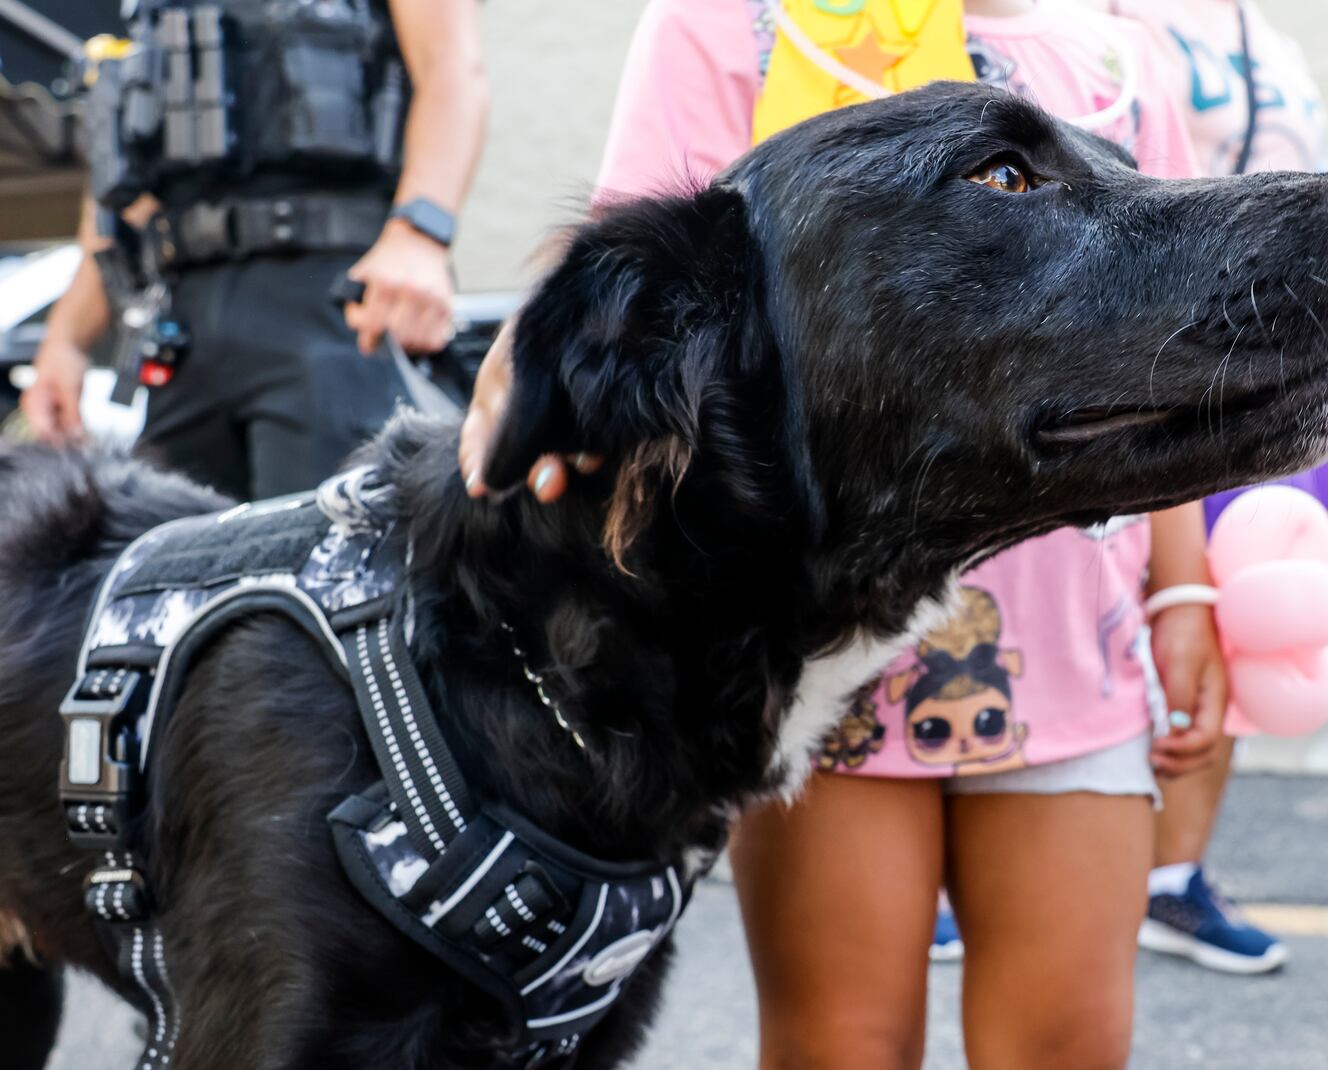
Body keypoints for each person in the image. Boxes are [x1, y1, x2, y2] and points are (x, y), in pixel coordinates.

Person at [461, 2, 1229, 1065]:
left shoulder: (1118, 43)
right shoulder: (730, 24)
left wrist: (1182, 592)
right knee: (842, 1042)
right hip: (815, 651)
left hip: (1073, 632)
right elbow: (638, 277)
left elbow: (1169, 343)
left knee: (1069, 1040)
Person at [1086, 0, 1328, 975]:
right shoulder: (1105, 25)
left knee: (1228, 620)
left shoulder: (1271, 44)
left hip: (1262, 363)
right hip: (1156, 354)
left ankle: (1172, 877)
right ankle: (948, 879)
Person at [24, 0, 487, 501]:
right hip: (188, 324)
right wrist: (67, 340)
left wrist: (420, 235)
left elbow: (452, 67)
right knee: (180, 566)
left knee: (328, 555)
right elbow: (123, 181)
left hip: (335, 303)